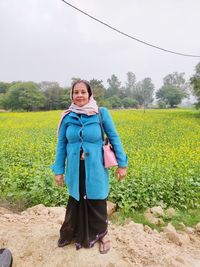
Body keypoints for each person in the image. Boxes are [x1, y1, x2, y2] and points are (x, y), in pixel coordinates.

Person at [51, 80, 128, 254]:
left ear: (89, 94)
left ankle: (102, 234)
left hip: (96, 167)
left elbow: (114, 138)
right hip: (75, 168)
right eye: (75, 92)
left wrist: (122, 164)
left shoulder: (101, 113)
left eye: (83, 92)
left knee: (97, 199)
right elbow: (61, 145)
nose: (79, 95)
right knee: (76, 199)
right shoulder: (67, 117)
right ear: (72, 95)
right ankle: (74, 232)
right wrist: (58, 170)